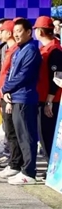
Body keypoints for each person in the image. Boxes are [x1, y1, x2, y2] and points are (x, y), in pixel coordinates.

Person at [1, 18, 42, 185]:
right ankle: (22, 169)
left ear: (28, 32)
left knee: (26, 136)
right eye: (14, 32)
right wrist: (6, 91)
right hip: (16, 96)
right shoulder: (20, 49)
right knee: (19, 135)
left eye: (19, 31)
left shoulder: (31, 50)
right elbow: (10, 73)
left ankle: (29, 172)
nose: (16, 34)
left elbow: (23, 75)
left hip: (25, 97)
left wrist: (6, 88)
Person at [33, 16, 62, 178]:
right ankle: (52, 167)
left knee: (48, 135)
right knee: (44, 135)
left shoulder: (54, 50)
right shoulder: (46, 49)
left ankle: (54, 169)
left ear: (40, 31)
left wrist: (50, 100)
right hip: (43, 99)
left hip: (50, 101)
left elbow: (57, 78)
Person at [0, 20, 21, 173]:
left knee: (12, 131)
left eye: (2, 30)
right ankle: (12, 161)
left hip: (10, 96)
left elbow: (12, 76)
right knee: (9, 130)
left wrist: (7, 93)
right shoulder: (9, 50)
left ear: (9, 33)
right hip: (4, 94)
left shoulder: (15, 50)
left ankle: (15, 164)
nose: (0, 33)